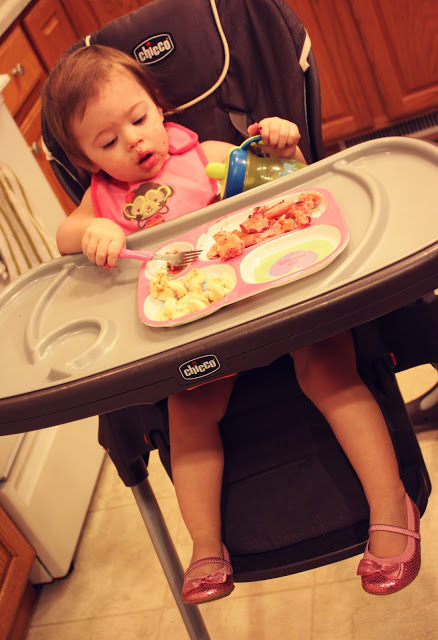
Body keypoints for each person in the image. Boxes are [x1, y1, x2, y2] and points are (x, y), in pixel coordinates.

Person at [42, 44, 421, 604]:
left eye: (139, 118)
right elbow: (64, 238)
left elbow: (292, 181)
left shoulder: (206, 155)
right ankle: (206, 545)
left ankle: (392, 503)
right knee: (188, 414)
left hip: (280, 301)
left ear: (159, 106)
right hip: (203, 333)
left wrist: (280, 146)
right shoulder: (104, 201)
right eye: (108, 141)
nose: (134, 140)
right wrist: (93, 233)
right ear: (87, 163)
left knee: (331, 374)